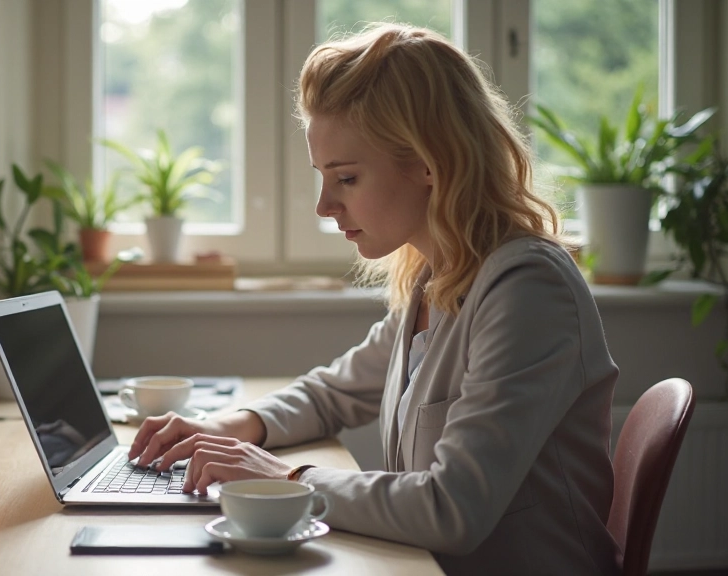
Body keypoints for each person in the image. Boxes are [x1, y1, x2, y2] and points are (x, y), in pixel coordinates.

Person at [128, 22, 620, 575]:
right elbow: (334, 393)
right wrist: (229, 427)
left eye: (347, 179)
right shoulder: (437, 275)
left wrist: (286, 479)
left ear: (431, 164)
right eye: (323, 177)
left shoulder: (528, 290)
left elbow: (451, 507)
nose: (323, 206)